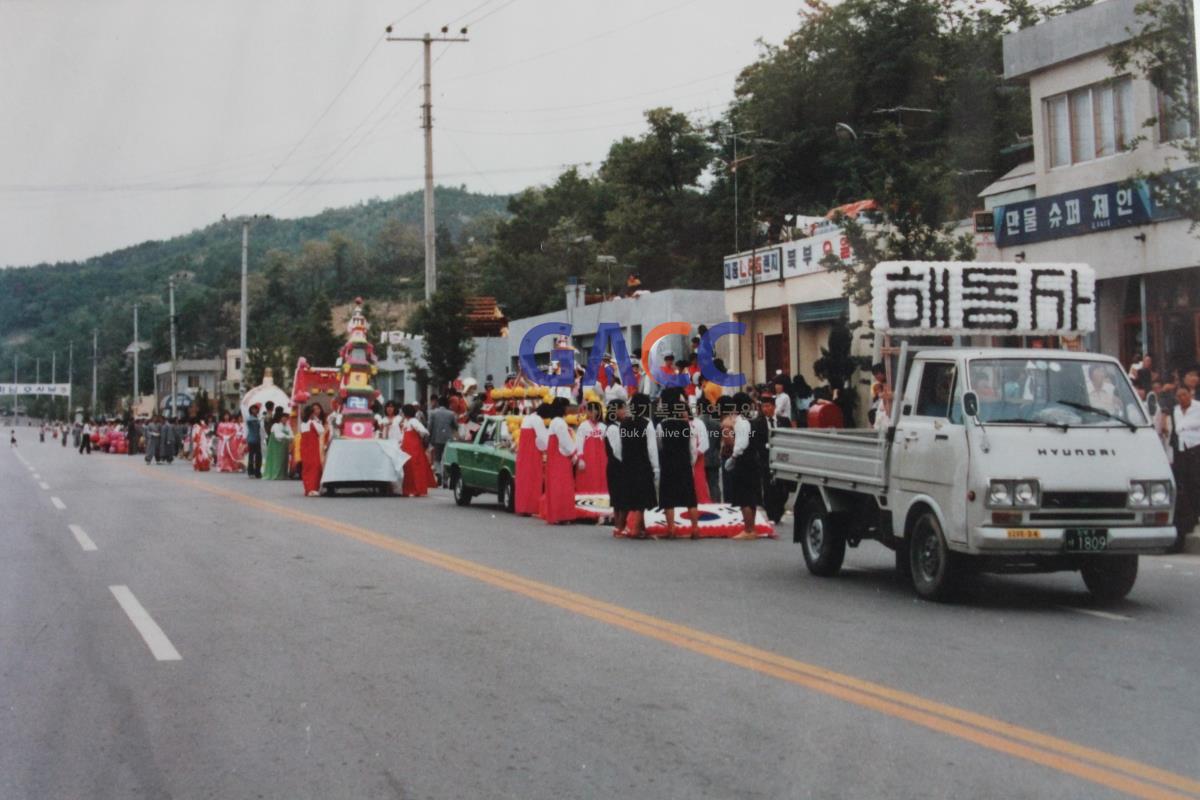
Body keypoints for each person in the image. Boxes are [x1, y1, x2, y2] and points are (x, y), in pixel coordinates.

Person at [657, 388, 700, 538]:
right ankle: (695, 528)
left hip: (668, 464)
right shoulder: (686, 426)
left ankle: (671, 529)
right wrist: (690, 463)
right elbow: (693, 448)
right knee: (690, 497)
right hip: (684, 464)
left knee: (668, 497)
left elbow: (660, 445)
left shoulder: (662, 426)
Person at [615, 393, 659, 539]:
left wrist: (624, 459)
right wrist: (656, 468)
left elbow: (618, 447)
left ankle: (620, 528)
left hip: (627, 463)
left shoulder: (624, 423)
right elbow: (652, 449)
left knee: (626, 498)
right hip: (642, 464)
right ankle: (635, 529)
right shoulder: (647, 424)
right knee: (642, 499)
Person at [724, 392, 761, 540]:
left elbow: (741, 444)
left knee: (743, 496)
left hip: (743, 460)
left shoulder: (741, 421)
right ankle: (752, 528)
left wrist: (733, 457)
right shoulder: (753, 419)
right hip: (752, 459)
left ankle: (748, 529)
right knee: (751, 496)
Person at [1170, 385, 1200, 553]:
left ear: (1190, 394)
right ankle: (1189, 514)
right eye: (1179, 395)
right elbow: (1178, 428)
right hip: (1181, 449)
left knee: (1195, 481)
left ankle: (1196, 513)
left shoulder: (1197, 408)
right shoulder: (1176, 410)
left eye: (1185, 394)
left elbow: (1190, 425)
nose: (1182, 398)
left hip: (1195, 447)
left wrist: (1185, 427)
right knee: (1184, 482)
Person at [540, 398, 577, 524]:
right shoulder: (560, 423)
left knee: (556, 485)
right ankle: (562, 514)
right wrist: (573, 454)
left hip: (554, 456)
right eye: (567, 406)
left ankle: (556, 514)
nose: (569, 409)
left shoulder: (554, 422)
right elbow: (565, 441)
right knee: (563, 486)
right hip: (560, 457)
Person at [515, 402, 551, 516]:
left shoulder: (527, 418)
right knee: (533, 480)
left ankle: (522, 507)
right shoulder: (537, 420)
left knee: (523, 480)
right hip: (532, 454)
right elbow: (544, 439)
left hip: (523, 454)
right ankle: (531, 507)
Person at [604, 399, 629, 536]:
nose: (625, 411)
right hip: (617, 465)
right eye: (622, 409)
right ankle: (619, 526)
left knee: (620, 497)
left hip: (620, 465)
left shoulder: (621, 425)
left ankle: (620, 525)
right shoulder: (613, 428)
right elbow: (617, 451)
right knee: (619, 497)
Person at [400, 403, 436, 497]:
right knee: (409, 469)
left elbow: (424, 431)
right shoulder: (406, 421)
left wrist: (419, 438)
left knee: (414, 469)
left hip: (414, 448)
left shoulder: (413, 421)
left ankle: (416, 489)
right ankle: (410, 489)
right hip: (408, 447)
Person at [574, 401, 608, 495]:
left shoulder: (603, 427)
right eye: (591, 411)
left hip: (602, 460)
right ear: (587, 412)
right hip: (587, 459)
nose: (593, 413)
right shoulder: (583, 426)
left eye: (595, 410)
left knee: (601, 479)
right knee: (587, 480)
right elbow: (579, 443)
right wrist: (580, 459)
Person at [427, 396, 457, 486]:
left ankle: (438, 473)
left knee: (437, 458)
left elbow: (430, 426)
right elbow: (456, 426)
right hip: (448, 439)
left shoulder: (433, 413)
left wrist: (429, 438)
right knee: (446, 459)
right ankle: (445, 479)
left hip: (436, 438)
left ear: (439, 403)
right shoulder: (451, 414)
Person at [299, 403, 327, 497]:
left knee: (306, 468)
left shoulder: (303, 424)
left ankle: (308, 489)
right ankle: (313, 488)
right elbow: (322, 431)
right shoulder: (313, 423)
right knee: (316, 467)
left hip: (304, 448)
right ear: (311, 414)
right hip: (313, 447)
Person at [262, 407, 292, 480]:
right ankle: (275, 475)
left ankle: (283, 475)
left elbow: (291, 434)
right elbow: (278, 435)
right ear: (280, 418)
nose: (285, 420)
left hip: (284, 446)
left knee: (284, 460)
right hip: (276, 446)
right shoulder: (276, 425)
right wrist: (288, 437)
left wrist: (290, 437)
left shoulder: (287, 426)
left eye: (286, 418)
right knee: (276, 460)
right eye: (283, 418)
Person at [244, 403, 263, 479]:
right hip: (251, 440)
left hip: (258, 439)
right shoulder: (250, 419)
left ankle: (257, 472)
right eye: (253, 409)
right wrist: (259, 419)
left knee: (259, 456)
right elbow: (249, 420)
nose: (254, 410)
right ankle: (250, 471)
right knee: (251, 456)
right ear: (250, 410)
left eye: (255, 409)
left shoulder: (258, 418)